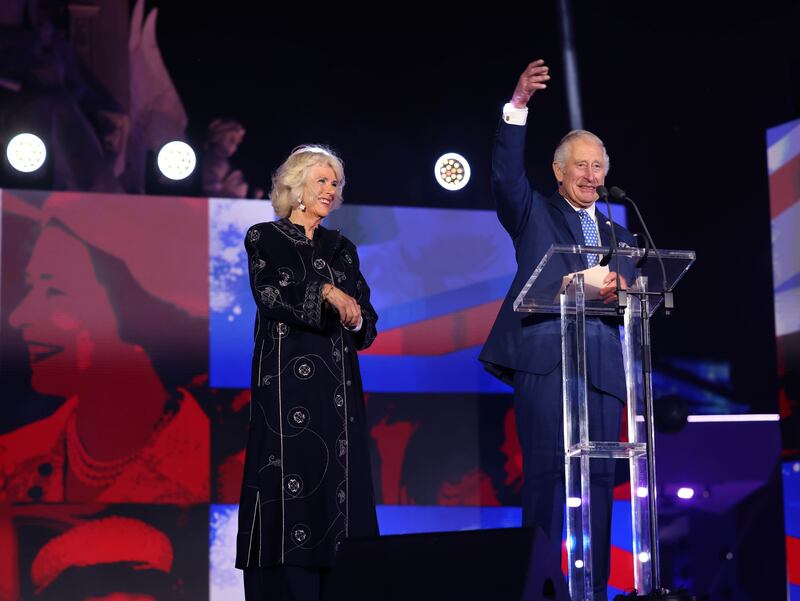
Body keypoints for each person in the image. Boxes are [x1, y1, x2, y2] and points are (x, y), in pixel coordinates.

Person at [479, 59, 638, 599]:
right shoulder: (533, 214)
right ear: (559, 171)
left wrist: (626, 290)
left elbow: (635, 296)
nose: (591, 176)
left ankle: (593, 590)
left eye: (598, 166)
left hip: (605, 371)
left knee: (598, 483)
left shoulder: (620, 230)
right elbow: (504, 176)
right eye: (581, 166)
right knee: (548, 479)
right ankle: (539, 589)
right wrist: (517, 107)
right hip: (548, 362)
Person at [236, 145, 379, 601]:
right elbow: (272, 295)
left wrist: (357, 318)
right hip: (285, 393)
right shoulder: (265, 237)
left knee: (341, 491)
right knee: (288, 488)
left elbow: (367, 318)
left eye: (334, 183)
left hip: (336, 393)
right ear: (295, 187)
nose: (330, 189)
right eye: (321, 180)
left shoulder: (343, 248)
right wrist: (328, 294)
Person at [0, 196, 209, 504]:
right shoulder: (12, 459)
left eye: (54, 291)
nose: (18, 317)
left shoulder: (224, 468)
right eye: (33, 287)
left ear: (136, 309)